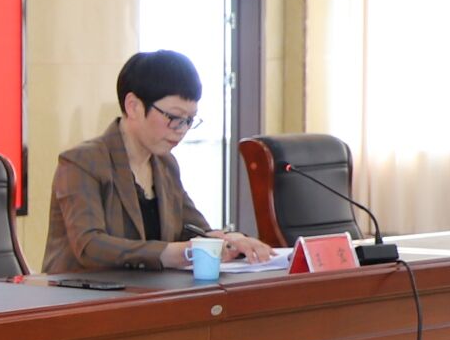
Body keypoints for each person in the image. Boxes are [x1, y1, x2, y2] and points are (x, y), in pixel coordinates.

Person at [44, 50, 277, 274]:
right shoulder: (82, 162)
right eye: (174, 118)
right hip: (81, 295)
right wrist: (173, 253)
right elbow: (90, 246)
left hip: (146, 293)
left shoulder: (166, 165)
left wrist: (229, 240)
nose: (181, 130)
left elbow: (194, 229)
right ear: (133, 106)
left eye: (189, 120)